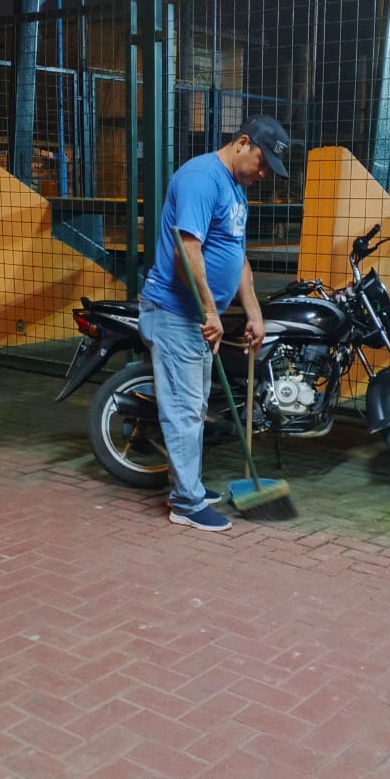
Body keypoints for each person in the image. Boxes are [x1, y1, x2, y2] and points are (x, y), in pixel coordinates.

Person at [139, 114, 290, 532]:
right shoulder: (201, 179)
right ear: (242, 143)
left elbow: (237, 256)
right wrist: (210, 311)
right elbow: (186, 251)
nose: (263, 174)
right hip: (176, 314)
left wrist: (254, 313)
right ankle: (186, 503)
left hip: (199, 317)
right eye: (262, 163)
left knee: (194, 406)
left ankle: (188, 485)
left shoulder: (236, 189)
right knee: (185, 411)